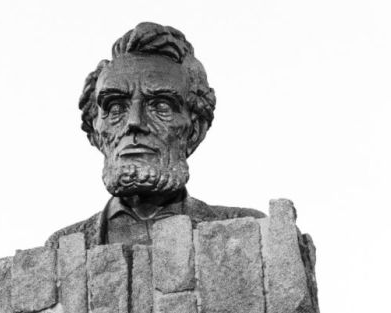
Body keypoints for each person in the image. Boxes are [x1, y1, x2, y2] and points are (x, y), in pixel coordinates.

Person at [46, 22, 263, 248]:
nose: (134, 122)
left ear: (195, 129)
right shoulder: (61, 248)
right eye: (116, 107)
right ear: (95, 133)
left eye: (160, 105)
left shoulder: (247, 232)